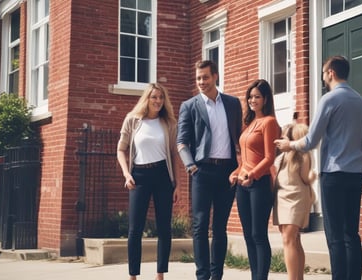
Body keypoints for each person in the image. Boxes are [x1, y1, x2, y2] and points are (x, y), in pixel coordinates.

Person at [274, 55, 362, 280]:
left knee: (335, 235)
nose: (323, 76)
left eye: (323, 72)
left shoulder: (328, 100)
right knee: (351, 233)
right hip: (356, 173)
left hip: (333, 174)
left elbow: (310, 141)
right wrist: (355, 155)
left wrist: (289, 145)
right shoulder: (361, 101)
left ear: (331, 73)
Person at [177, 60, 242, 280]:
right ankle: (202, 276)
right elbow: (182, 142)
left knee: (220, 227)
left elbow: (239, 139)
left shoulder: (233, 104)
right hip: (202, 172)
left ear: (215, 76)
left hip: (227, 172)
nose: (201, 82)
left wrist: (240, 166)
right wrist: (191, 166)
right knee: (200, 225)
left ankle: (217, 275)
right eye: (198, 78)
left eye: (205, 77)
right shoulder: (189, 106)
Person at [117, 83, 180, 280]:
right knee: (135, 229)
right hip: (139, 177)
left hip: (163, 175)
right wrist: (127, 174)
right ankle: (133, 275)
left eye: (161, 97)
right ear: (147, 99)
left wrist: (176, 184)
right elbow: (121, 149)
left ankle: (160, 274)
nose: (158, 101)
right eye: (154, 97)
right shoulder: (132, 120)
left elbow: (173, 154)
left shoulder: (169, 123)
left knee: (164, 227)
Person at [228, 79, 280, 280]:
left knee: (259, 235)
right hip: (242, 185)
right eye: (250, 96)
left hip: (259, 184)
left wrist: (253, 174)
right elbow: (246, 160)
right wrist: (237, 172)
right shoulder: (248, 124)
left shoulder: (269, 122)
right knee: (248, 235)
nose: (252, 100)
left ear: (265, 99)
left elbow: (269, 157)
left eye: (257, 96)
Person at [273, 121, 316, 280]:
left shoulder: (303, 154)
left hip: (296, 197)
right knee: (294, 239)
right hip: (282, 197)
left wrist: (312, 177)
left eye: (285, 137)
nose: (281, 140)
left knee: (289, 238)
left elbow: (305, 178)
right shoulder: (282, 155)